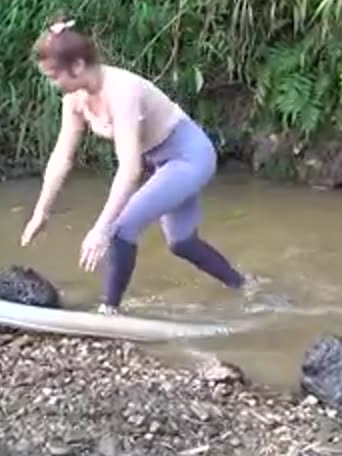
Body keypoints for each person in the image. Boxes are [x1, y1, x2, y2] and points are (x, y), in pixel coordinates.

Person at [20, 17, 245, 314]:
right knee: (182, 243)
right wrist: (41, 212)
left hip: (189, 157)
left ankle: (109, 310)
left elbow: (129, 169)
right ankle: (243, 287)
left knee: (120, 227)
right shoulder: (75, 99)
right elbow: (62, 157)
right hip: (162, 162)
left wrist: (101, 228)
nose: (52, 84)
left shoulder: (122, 91)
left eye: (53, 76)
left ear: (76, 67)